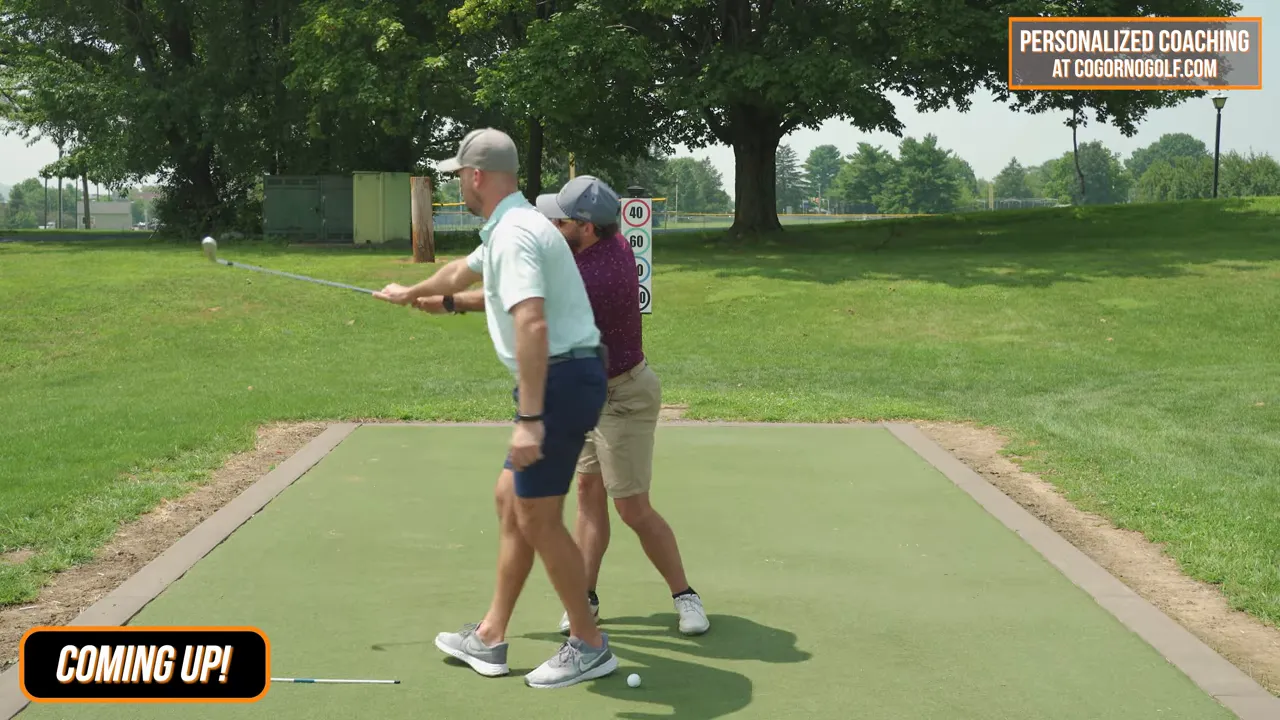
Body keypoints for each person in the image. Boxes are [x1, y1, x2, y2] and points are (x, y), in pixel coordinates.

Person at [413, 175, 710, 638]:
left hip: (623, 396)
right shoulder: (595, 248)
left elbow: (525, 308)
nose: (551, 223)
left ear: (587, 229)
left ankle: (684, 595)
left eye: (561, 219)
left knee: (631, 508)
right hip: (589, 391)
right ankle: (585, 599)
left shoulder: (594, 274)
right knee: (589, 498)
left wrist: (450, 303)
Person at [373, 128, 617, 689]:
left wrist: (530, 419)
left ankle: (589, 643)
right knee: (511, 500)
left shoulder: (514, 234)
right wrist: (413, 293)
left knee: (535, 516)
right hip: (563, 378)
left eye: (459, 174)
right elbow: (462, 271)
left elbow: (532, 320)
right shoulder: (511, 226)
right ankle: (489, 637)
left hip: (558, 384)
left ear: (476, 176)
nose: (459, 182)